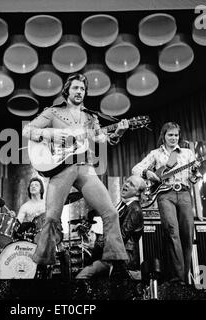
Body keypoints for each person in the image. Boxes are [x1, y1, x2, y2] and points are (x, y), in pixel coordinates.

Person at [23, 73, 130, 279]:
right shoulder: (54, 112)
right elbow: (28, 130)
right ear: (67, 91)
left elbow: (100, 138)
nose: (79, 92)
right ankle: (43, 266)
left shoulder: (91, 117)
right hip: (62, 167)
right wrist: (53, 134)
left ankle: (116, 262)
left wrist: (118, 132)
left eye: (82, 89)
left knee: (111, 212)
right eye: (75, 88)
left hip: (85, 166)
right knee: (52, 218)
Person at [132, 122, 201, 284]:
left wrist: (194, 171)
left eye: (176, 135)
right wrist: (147, 172)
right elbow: (136, 169)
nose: (173, 138)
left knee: (187, 235)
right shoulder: (155, 154)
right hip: (165, 195)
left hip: (184, 194)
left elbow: (193, 179)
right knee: (172, 233)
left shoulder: (187, 153)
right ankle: (178, 279)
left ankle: (182, 278)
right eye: (170, 135)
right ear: (163, 136)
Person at [76, 175, 146, 279]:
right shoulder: (123, 205)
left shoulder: (134, 209)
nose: (126, 184)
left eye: (131, 185)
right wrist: (91, 235)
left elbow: (120, 238)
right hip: (112, 256)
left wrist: (96, 243)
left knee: (82, 276)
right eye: (127, 181)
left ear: (137, 193)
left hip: (122, 260)